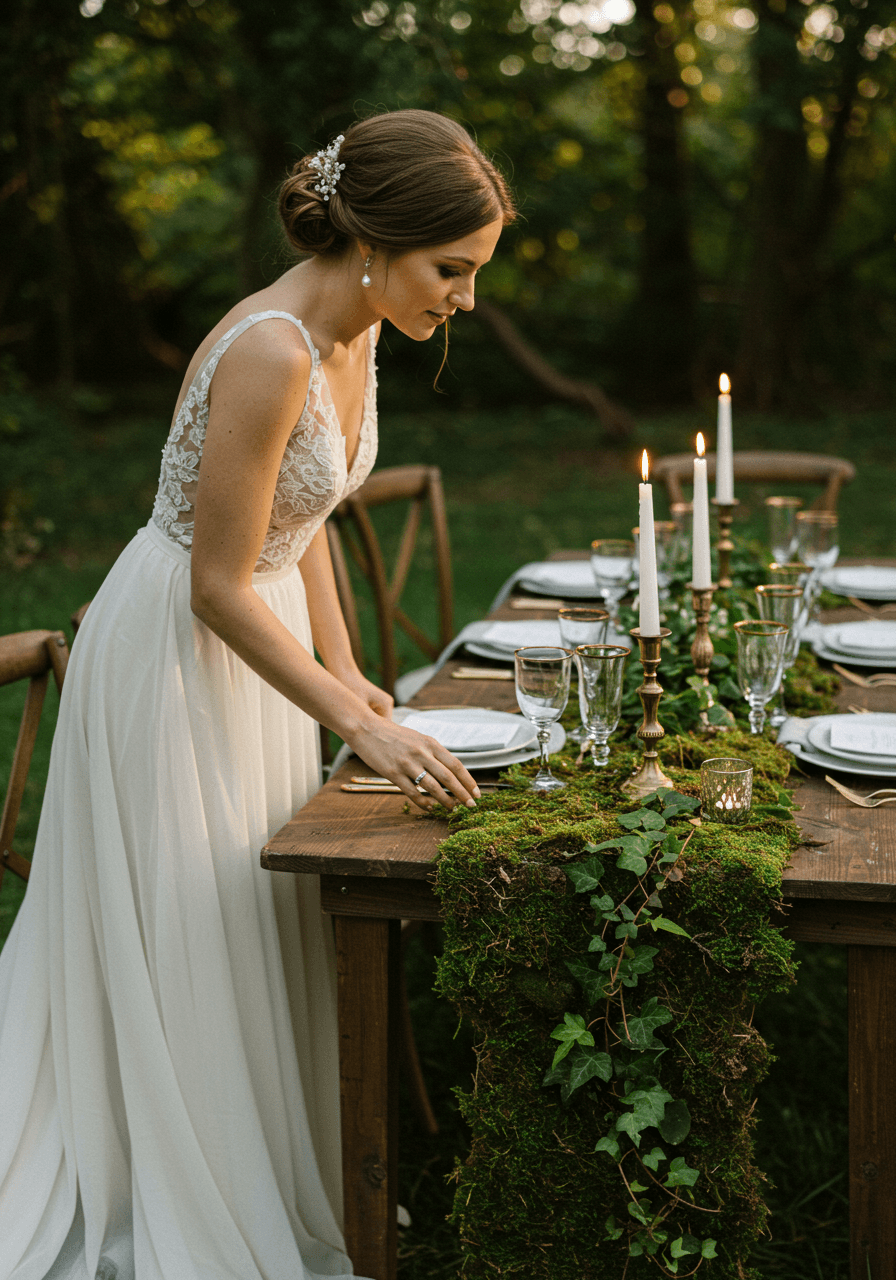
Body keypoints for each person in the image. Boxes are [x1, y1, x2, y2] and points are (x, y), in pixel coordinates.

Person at [0, 109, 516, 1280]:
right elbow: (216, 586)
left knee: (264, 915)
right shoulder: (272, 347)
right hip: (183, 657)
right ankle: (180, 1181)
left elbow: (307, 516)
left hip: (267, 642)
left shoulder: (362, 326)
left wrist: (345, 672)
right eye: (455, 271)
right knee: (201, 920)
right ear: (379, 239)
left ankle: (281, 1164)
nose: (466, 301)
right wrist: (347, 718)